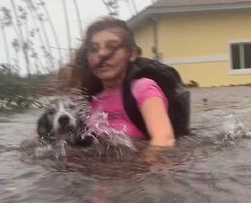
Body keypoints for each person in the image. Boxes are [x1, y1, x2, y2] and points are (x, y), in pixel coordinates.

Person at [66, 16, 176, 160]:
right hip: (96, 178)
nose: (102, 54)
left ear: (132, 54)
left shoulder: (143, 89)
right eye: (94, 49)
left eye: (111, 47)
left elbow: (164, 140)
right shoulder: (86, 100)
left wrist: (143, 168)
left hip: (137, 176)